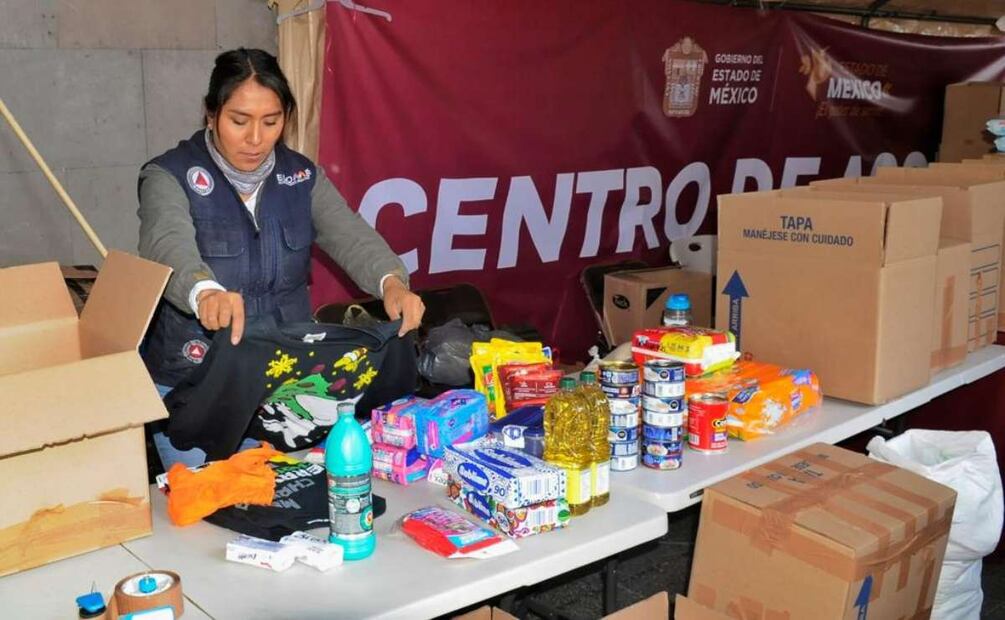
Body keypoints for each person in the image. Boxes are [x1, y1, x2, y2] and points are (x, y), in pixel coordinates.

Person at [138, 48, 424, 469]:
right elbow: (167, 243)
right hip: (196, 381)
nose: (256, 139)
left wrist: (391, 282)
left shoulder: (301, 177)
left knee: (280, 509)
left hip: (282, 383)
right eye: (239, 121)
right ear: (210, 114)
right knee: (205, 514)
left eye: (271, 122)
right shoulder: (169, 175)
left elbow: (352, 236)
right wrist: (204, 292)